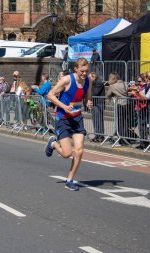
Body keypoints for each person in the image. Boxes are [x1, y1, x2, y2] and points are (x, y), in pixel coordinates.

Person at [45, 58, 93, 191]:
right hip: (63, 118)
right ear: (76, 69)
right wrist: (64, 106)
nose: (84, 73)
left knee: (79, 151)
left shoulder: (88, 81)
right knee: (67, 154)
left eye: (86, 71)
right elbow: (50, 95)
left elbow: (88, 97)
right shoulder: (67, 80)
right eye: (82, 71)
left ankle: (70, 179)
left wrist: (88, 102)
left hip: (77, 118)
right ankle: (53, 143)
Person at [130, 72, 150, 151]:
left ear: (147, 78)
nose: (144, 80)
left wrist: (138, 90)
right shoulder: (148, 85)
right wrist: (137, 91)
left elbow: (146, 97)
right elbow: (142, 94)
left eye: (144, 78)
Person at [106, 72, 130, 145]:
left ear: (113, 78)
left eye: (110, 78)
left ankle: (121, 139)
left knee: (120, 123)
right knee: (125, 122)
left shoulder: (113, 86)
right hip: (127, 104)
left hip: (119, 104)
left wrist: (110, 87)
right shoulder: (125, 83)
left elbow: (108, 95)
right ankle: (126, 138)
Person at [89, 72, 105, 142]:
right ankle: (96, 134)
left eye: (90, 78)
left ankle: (100, 136)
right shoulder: (93, 83)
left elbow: (95, 93)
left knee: (99, 120)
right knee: (95, 120)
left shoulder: (99, 83)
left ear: (93, 77)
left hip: (99, 103)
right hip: (94, 103)